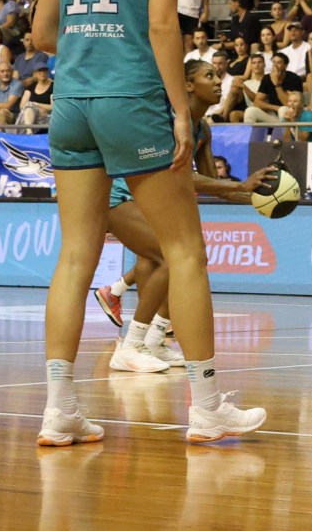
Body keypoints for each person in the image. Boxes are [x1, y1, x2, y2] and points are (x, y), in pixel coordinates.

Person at [30, 0, 265, 445]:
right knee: (185, 251)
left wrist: (90, 44)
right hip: (130, 99)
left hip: (71, 103)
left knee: (75, 257)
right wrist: (179, 110)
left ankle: (59, 410)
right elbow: (163, 25)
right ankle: (207, 406)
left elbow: (41, 33)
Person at [94, 60, 276, 373]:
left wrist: (260, 197)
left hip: (151, 200)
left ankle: (154, 340)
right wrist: (239, 185)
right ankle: (131, 345)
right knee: (170, 257)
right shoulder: (165, 120)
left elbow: (212, 183)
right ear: (188, 85)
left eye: (218, 76)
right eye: (209, 76)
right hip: (119, 195)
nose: (218, 82)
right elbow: (177, 176)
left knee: (189, 257)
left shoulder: (202, 128)